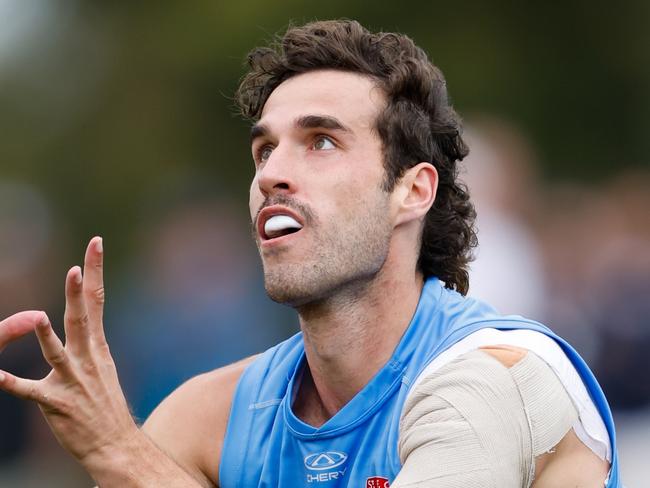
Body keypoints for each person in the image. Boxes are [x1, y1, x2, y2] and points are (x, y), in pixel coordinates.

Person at [0, 20, 622, 487]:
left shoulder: (499, 380)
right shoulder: (211, 414)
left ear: (413, 190)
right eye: (264, 150)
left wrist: (123, 456)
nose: (273, 174)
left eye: (321, 142)